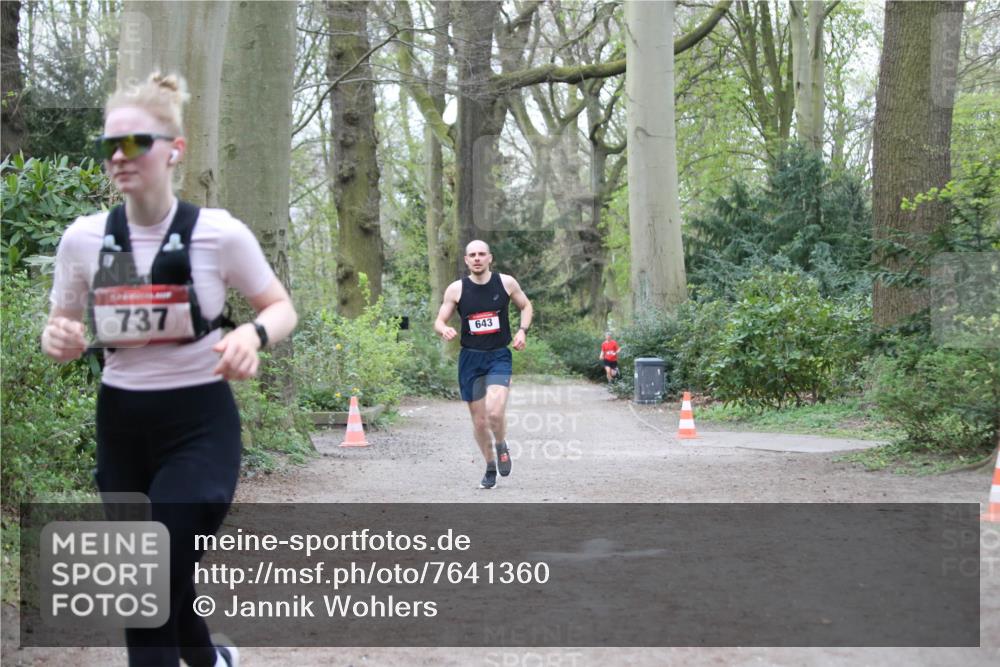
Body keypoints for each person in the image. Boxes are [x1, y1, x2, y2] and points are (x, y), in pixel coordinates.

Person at [41, 72, 297, 667]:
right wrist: (60, 339)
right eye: (109, 144)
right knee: (159, 575)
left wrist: (250, 335)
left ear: (175, 150)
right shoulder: (83, 239)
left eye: (135, 142)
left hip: (199, 427)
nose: (119, 157)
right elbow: (59, 328)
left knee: (146, 580)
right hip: (122, 425)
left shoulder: (218, 234)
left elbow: (281, 307)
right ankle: (212, 661)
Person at [434, 240, 533, 489]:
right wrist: (443, 328)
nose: (477, 258)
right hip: (470, 359)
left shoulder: (506, 283)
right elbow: (439, 320)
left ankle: (501, 445)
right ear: (466, 260)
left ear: (490, 257)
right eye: (472, 255)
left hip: (498, 356)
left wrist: (522, 331)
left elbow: (526, 305)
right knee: (479, 422)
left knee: (495, 412)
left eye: (481, 254)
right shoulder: (456, 289)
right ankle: (490, 466)